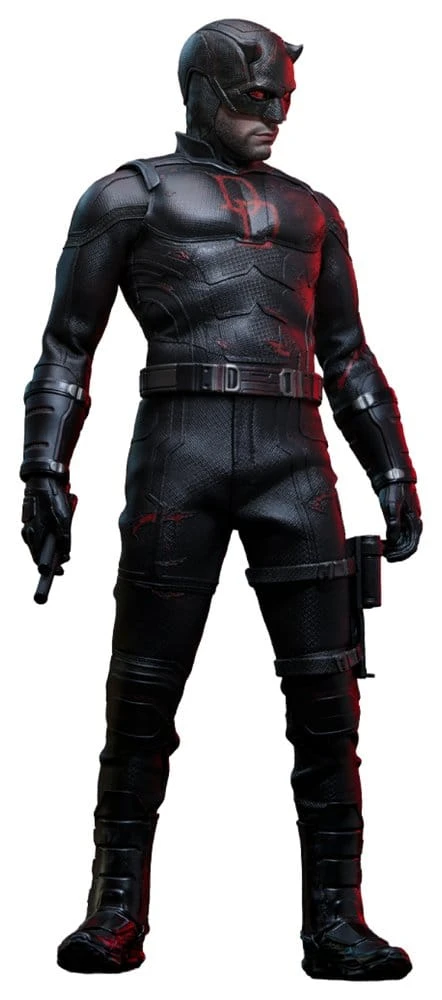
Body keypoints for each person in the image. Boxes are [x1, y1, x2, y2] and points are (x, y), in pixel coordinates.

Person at [20, 18, 422, 981]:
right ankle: (115, 910)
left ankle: (338, 920)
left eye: (282, 98)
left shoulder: (313, 211)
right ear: (204, 90)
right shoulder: (130, 195)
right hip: (180, 454)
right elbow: (67, 347)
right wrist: (43, 469)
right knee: (143, 693)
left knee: (327, 700)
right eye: (254, 98)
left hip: (295, 457)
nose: (273, 115)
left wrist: (394, 471)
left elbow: (348, 355)